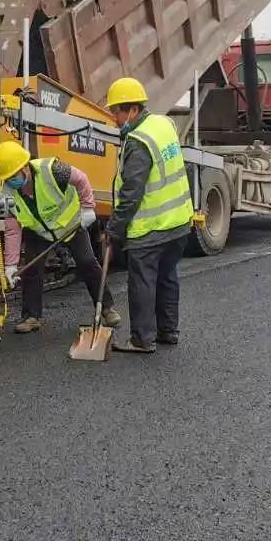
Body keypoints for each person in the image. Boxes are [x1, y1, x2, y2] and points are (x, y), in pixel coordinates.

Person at [102, 76, 195, 354]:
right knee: (167, 277)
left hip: (151, 226)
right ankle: (168, 331)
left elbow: (132, 192)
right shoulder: (163, 124)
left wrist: (114, 229)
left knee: (142, 282)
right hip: (178, 221)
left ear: (131, 110)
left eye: (116, 112)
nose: (114, 119)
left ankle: (142, 338)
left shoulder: (138, 141)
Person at [0, 140, 121, 334]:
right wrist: (10, 264)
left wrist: (87, 207)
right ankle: (31, 316)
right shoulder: (8, 194)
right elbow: (12, 229)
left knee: (87, 262)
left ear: (25, 168)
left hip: (71, 226)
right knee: (32, 269)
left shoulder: (52, 170)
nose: (11, 181)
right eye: (7, 178)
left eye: (13, 175)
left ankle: (107, 308)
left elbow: (81, 179)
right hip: (39, 233)